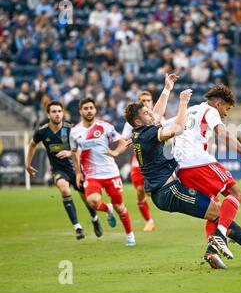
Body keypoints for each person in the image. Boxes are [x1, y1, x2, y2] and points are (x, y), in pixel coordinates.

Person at [125, 91, 241, 269]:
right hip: (196, 163)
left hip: (181, 170)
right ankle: (220, 237)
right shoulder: (209, 110)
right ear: (219, 104)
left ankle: (236, 250)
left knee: (216, 210)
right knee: (236, 193)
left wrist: (167, 89)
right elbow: (222, 134)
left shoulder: (191, 111)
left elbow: (158, 121)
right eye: (227, 109)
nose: (226, 113)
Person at [25, 101, 103, 240]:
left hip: (76, 169)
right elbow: (32, 144)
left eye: (59, 111)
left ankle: (94, 218)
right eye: (54, 112)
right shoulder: (42, 132)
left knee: (89, 201)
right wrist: (27, 164)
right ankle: (77, 227)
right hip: (58, 170)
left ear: (63, 113)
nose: (57, 114)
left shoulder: (71, 129)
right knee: (64, 189)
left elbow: (82, 146)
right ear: (48, 114)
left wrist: (69, 152)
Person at [70, 98, 135, 246]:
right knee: (92, 201)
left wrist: (116, 152)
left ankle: (130, 234)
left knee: (120, 207)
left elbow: (123, 142)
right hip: (92, 175)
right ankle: (107, 209)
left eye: (91, 108)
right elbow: (74, 152)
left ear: (95, 110)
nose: (88, 111)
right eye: (85, 108)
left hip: (110, 173)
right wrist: (78, 172)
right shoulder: (75, 132)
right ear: (80, 111)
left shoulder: (105, 127)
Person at [121, 73, 179, 232]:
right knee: (142, 190)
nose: (146, 105)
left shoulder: (150, 121)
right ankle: (149, 219)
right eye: (143, 102)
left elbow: (157, 115)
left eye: (148, 102)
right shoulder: (140, 125)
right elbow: (173, 126)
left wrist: (167, 89)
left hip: (159, 160)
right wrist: (184, 107)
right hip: (145, 161)